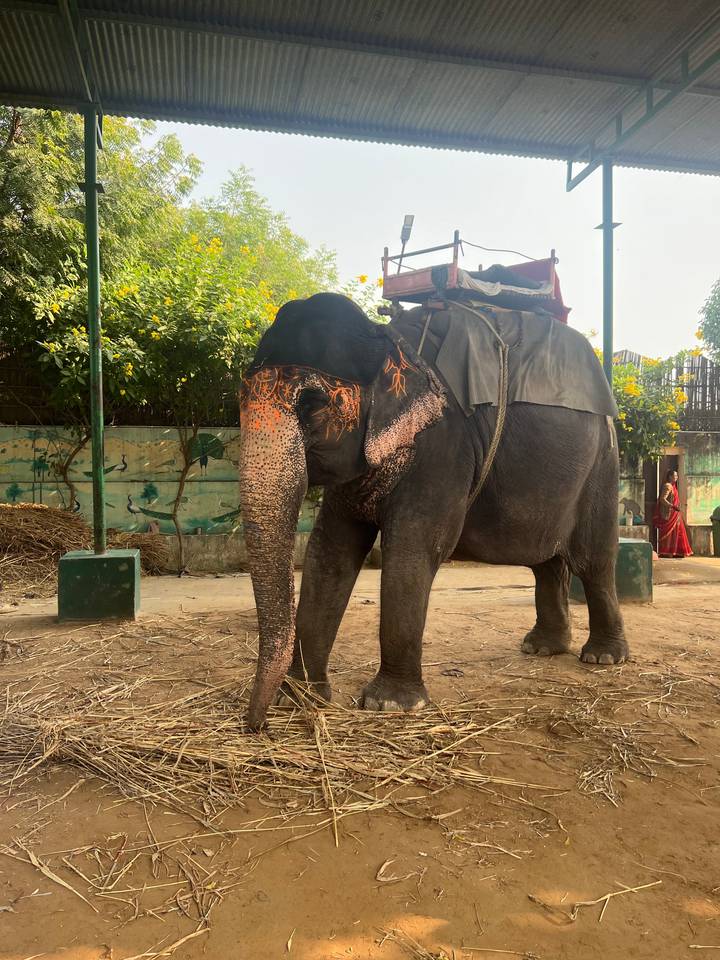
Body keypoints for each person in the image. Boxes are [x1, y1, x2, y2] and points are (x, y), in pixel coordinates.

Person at [653, 469, 693, 558]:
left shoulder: (673, 486)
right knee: (670, 533)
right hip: (670, 514)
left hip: (675, 514)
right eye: (675, 476)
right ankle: (667, 552)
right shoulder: (668, 486)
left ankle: (677, 552)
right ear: (670, 477)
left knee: (677, 533)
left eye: (677, 476)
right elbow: (662, 499)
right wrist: (672, 506)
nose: (677, 477)